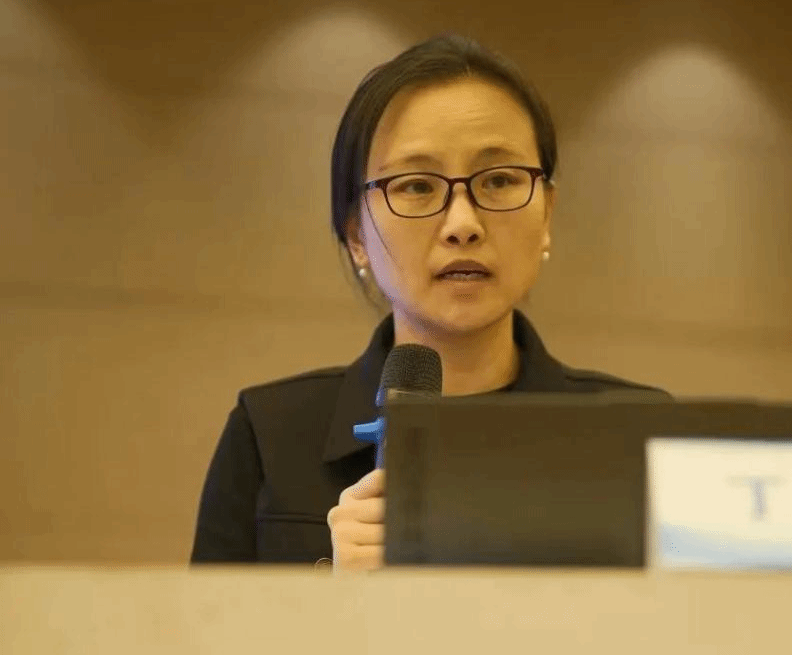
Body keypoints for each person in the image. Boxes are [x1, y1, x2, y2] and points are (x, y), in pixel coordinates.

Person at [190, 34, 669, 569]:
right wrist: (333, 594)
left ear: (547, 214)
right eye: (417, 186)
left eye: (500, 180)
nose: (463, 224)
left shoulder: (645, 436)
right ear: (356, 233)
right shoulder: (270, 434)